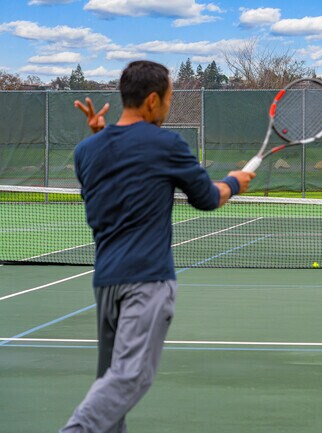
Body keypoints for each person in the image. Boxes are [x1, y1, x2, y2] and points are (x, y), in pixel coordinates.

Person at [60, 60, 255, 433]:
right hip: (146, 281)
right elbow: (207, 198)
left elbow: (110, 176)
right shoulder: (166, 144)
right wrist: (235, 180)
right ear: (152, 100)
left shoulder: (87, 152)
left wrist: (99, 135)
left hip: (105, 284)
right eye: (168, 99)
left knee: (110, 385)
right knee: (131, 378)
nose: (168, 106)